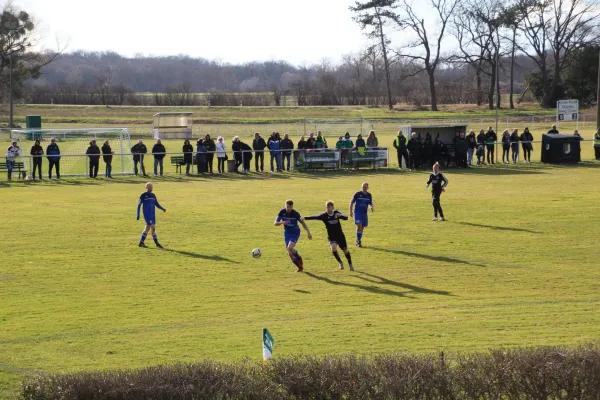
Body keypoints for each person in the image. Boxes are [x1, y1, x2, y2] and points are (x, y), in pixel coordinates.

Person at [305, 201, 354, 271]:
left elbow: (346, 217)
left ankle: (350, 264)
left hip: (340, 235)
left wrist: (340, 215)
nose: (327, 209)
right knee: (333, 248)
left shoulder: (336, 213)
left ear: (332, 207)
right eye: (326, 207)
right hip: (331, 236)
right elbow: (315, 216)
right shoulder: (324, 215)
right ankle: (340, 262)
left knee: (345, 250)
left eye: (329, 207)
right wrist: (304, 218)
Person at [274, 199, 313, 272]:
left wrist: (308, 232)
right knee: (290, 253)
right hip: (287, 233)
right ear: (285, 205)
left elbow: (303, 223)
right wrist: (282, 222)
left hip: (295, 232)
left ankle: (299, 258)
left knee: (290, 248)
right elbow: (275, 223)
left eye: (290, 207)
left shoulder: (295, 214)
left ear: (292, 207)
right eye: (287, 206)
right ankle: (300, 267)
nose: (288, 208)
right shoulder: (282, 212)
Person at [136, 182, 166, 248]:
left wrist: (162, 208)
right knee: (153, 228)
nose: (151, 188)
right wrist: (137, 214)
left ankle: (141, 242)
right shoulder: (143, 195)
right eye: (150, 187)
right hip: (147, 214)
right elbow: (139, 205)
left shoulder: (153, 195)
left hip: (152, 214)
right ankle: (157, 243)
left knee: (147, 228)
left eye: (152, 187)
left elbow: (157, 204)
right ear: (146, 188)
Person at [349, 182, 373, 248]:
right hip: (357, 213)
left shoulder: (369, 195)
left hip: (364, 213)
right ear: (361, 187)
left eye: (365, 187)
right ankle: (359, 242)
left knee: (362, 227)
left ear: (368, 188)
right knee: (359, 226)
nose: (364, 188)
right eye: (363, 187)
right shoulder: (357, 194)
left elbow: (370, 203)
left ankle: (358, 240)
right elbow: (351, 202)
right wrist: (350, 212)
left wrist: (371, 207)